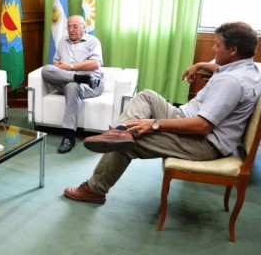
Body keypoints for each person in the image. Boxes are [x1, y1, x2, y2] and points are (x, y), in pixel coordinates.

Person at [64, 21, 261, 204]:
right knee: (147, 96)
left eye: (217, 45)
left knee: (131, 142)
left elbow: (202, 126)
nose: (213, 49)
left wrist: (154, 123)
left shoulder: (232, 83)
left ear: (233, 51)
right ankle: (120, 131)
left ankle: (95, 189)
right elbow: (218, 66)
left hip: (202, 143)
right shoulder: (248, 68)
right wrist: (199, 65)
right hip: (186, 117)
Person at [41, 15, 105, 154]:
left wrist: (70, 66)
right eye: (69, 26)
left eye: (75, 26)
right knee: (45, 70)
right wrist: (74, 74)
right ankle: (79, 78)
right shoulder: (62, 42)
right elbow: (56, 64)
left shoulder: (92, 41)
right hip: (73, 79)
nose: (71, 30)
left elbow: (95, 64)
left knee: (72, 86)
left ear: (84, 27)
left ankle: (69, 136)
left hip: (93, 83)